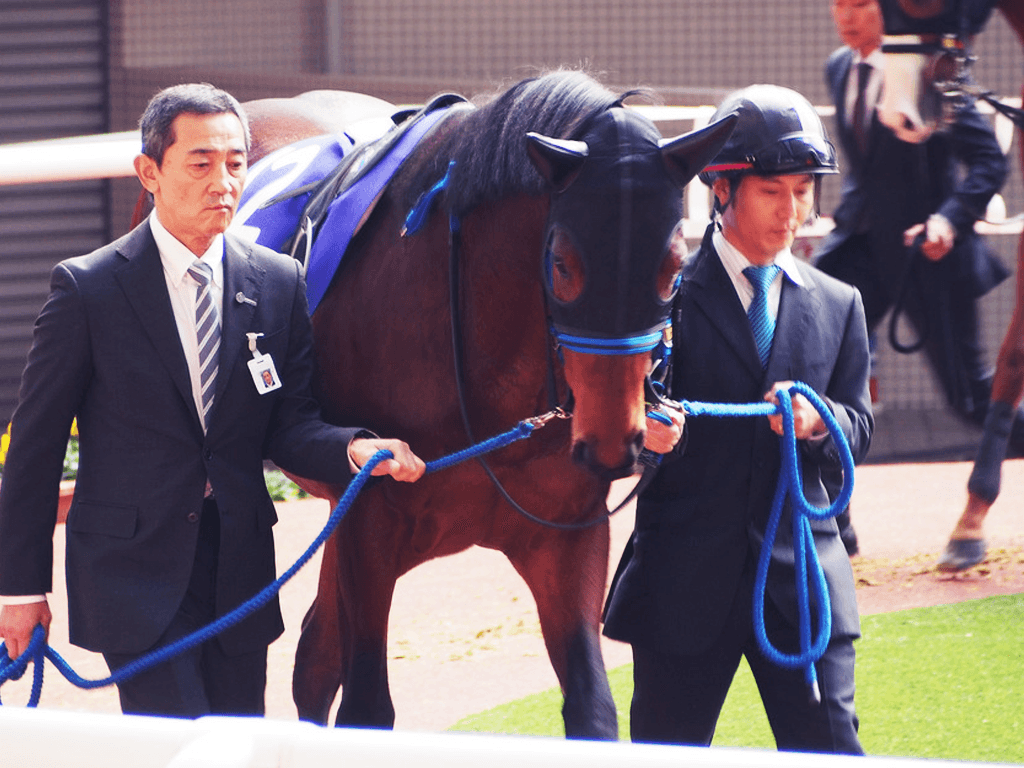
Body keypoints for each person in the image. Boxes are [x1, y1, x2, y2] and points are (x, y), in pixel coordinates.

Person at [0, 83, 426, 717]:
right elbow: (32, 451)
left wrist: (354, 447)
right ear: (149, 172)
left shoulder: (278, 283)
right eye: (200, 163)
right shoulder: (88, 290)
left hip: (240, 573)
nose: (224, 181)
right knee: (182, 746)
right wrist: (19, 590)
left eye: (235, 163)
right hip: (132, 574)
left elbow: (290, 426)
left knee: (237, 740)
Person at [603, 84, 873, 755]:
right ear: (722, 191)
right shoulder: (662, 304)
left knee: (835, 754)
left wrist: (821, 422)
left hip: (806, 585)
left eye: (804, 191)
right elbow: (625, 423)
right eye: (772, 192)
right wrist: (648, 437)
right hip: (683, 589)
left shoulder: (841, 305)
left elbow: (860, 427)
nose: (794, 210)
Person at [815, 0, 1020, 567]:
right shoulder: (839, 67)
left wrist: (947, 221)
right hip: (863, 249)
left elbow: (987, 163)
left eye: (858, 5)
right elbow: (866, 172)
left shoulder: (931, 67)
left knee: (970, 399)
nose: (846, 18)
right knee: (815, 353)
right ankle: (835, 515)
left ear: (887, 11)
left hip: (929, 258)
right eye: (837, 5)